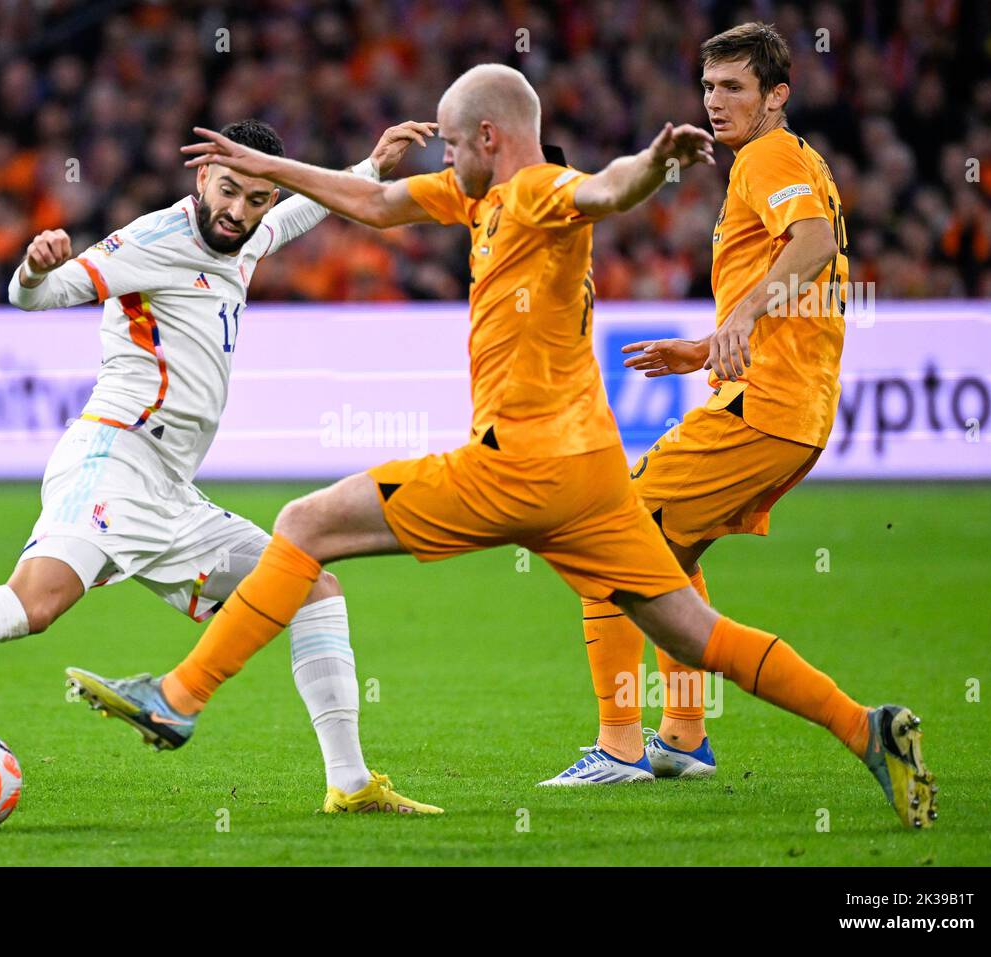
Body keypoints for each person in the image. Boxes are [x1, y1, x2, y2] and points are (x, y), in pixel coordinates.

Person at [75, 63, 935, 829]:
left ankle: (180, 697)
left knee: (305, 522)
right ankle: (866, 727)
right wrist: (270, 168)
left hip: (519, 463)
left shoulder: (536, 190)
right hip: (592, 478)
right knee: (696, 631)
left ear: (490, 136)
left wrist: (653, 168)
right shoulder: (479, 195)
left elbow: (605, 189)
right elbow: (376, 203)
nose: (444, 159)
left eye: (451, 144)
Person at [0, 118, 445, 816]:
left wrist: (370, 165)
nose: (240, 211)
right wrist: (34, 266)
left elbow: (301, 211)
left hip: (171, 490)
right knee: (33, 605)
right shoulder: (155, 240)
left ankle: (350, 784)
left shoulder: (247, 237)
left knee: (311, 586)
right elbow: (34, 297)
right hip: (114, 457)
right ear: (201, 179)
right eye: (229, 192)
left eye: (257, 198)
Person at [566, 21, 856, 785]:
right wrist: (708, 344)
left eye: (734, 87)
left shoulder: (768, 157)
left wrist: (740, 318)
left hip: (766, 406)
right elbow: (803, 280)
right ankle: (684, 736)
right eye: (708, 86)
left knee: (610, 539)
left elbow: (816, 243)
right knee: (669, 554)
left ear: (776, 97)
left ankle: (620, 746)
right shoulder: (788, 161)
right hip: (786, 408)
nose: (716, 100)